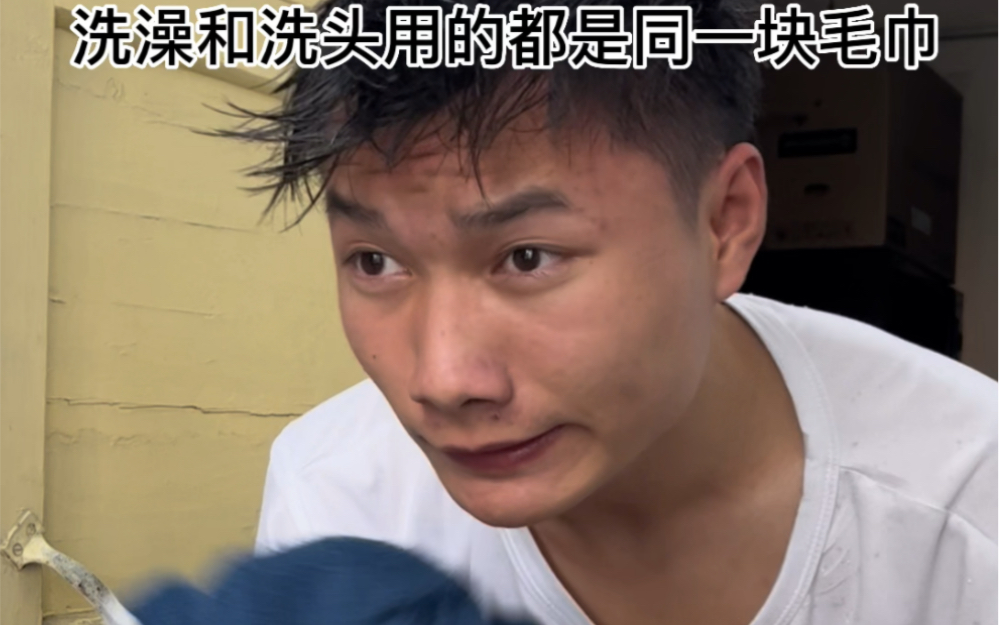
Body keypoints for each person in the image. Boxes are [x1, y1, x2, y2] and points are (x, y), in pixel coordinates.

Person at [231, 0, 998, 623]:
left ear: (724, 221)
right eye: (376, 261)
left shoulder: (966, 505)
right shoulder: (338, 497)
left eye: (527, 256)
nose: (442, 380)